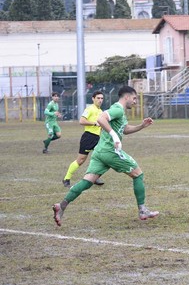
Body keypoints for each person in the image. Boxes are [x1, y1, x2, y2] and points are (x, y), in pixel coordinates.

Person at [52, 86, 158, 226]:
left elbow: (124, 129)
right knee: (138, 174)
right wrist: (114, 136)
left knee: (87, 182)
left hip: (99, 151)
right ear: (126, 97)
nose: (135, 102)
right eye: (134, 98)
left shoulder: (120, 111)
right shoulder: (118, 109)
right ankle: (143, 210)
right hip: (110, 151)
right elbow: (101, 118)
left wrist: (141, 126)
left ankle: (62, 205)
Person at [62, 91, 105, 188]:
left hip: (97, 138)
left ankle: (94, 177)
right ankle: (66, 178)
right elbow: (82, 121)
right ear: (93, 99)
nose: (100, 100)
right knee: (80, 160)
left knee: (101, 158)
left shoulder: (101, 112)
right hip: (88, 137)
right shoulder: (89, 109)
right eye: (98, 98)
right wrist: (94, 123)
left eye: (102, 98)